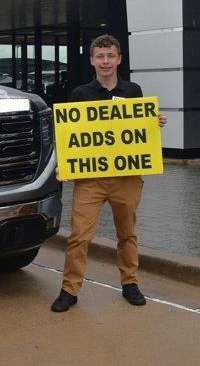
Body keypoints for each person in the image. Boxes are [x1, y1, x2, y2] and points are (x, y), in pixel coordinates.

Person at [51, 34, 167, 313]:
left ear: (119, 59)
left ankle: (130, 282)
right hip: (90, 179)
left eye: (110, 56)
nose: (105, 61)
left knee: (127, 233)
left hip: (126, 177)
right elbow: (72, 136)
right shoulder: (80, 94)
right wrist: (64, 165)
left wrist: (153, 122)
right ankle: (70, 289)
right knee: (79, 235)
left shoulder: (133, 91)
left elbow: (138, 129)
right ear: (92, 60)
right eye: (100, 56)